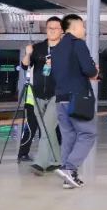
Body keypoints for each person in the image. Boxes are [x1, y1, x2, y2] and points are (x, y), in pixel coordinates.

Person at [52, 14, 99, 189]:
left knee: (69, 137)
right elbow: (89, 70)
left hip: (60, 98)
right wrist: (94, 70)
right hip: (77, 98)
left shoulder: (56, 48)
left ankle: (69, 178)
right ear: (75, 27)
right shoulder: (78, 44)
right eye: (83, 26)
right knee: (88, 133)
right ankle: (69, 168)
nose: (84, 30)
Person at [20, 16, 64, 175]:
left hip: (58, 95)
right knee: (48, 130)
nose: (52, 31)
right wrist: (27, 53)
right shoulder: (37, 48)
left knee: (46, 128)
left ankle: (40, 163)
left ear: (61, 31)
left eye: (55, 28)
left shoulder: (67, 50)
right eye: (49, 28)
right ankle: (57, 161)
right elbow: (25, 66)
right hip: (38, 94)